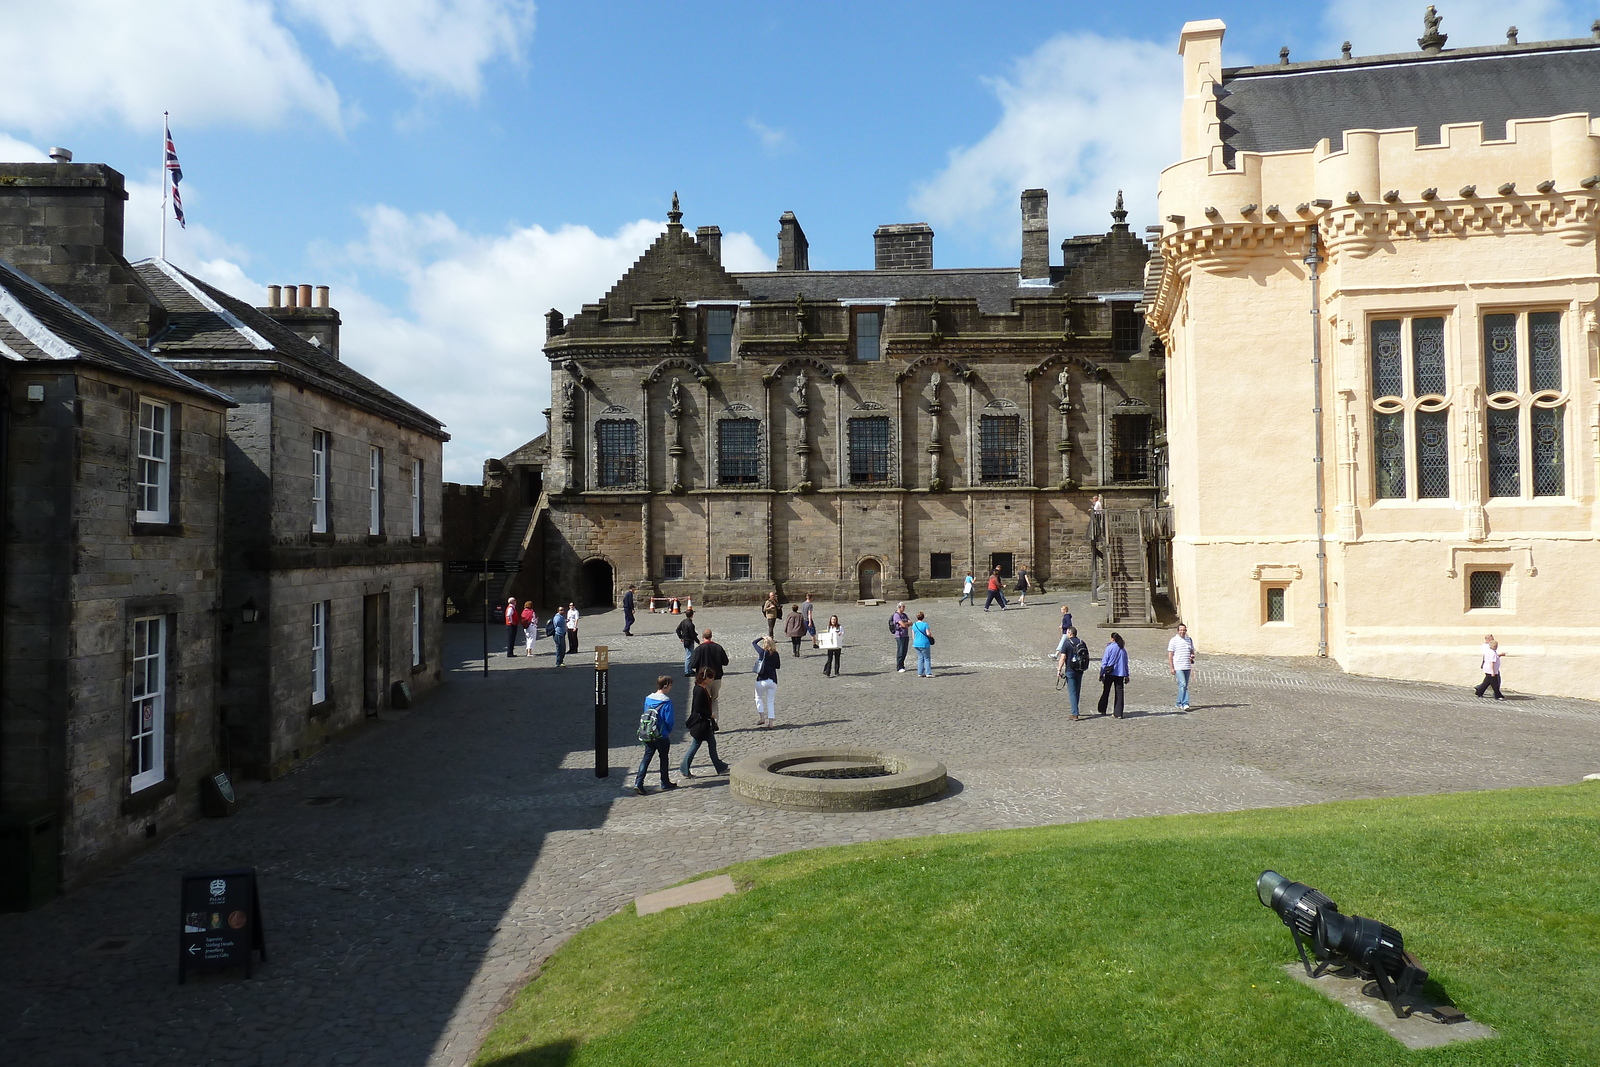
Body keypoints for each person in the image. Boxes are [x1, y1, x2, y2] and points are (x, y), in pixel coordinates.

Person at [632, 675, 678, 796]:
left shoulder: (648, 699)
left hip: (648, 733)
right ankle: (664, 782)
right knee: (663, 758)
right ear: (666, 685)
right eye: (670, 685)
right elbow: (669, 720)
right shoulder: (666, 701)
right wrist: (667, 731)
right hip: (661, 735)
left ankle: (638, 782)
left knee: (646, 757)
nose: (671, 688)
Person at [679, 667, 729, 778]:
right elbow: (698, 708)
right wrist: (709, 714)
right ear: (705, 678)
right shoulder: (700, 690)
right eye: (711, 678)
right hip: (701, 725)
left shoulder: (700, 688)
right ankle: (684, 767)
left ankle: (719, 766)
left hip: (704, 724)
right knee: (697, 745)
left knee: (710, 744)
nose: (712, 680)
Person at [1056, 625, 1091, 720]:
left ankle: (1074, 713)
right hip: (1080, 669)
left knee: (1072, 692)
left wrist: (1059, 669)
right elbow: (1087, 656)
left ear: (1070, 633)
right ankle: (1075, 708)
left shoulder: (1067, 643)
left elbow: (1063, 657)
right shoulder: (1081, 642)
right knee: (1077, 690)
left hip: (1070, 669)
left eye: (1067, 632)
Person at [688, 627, 729, 706]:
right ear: (711, 636)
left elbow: (693, 664)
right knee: (714, 700)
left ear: (703, 637)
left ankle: (707, 717)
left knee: (704, 700)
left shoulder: (699, 649)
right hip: (716, 678)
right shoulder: (718, 647)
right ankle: (715, 717)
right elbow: (725, 662)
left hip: (703, 678)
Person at [1097, 632, 1129, 718]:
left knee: (1106, 691)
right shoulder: (1123, 650)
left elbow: (1105, 661)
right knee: (1119, 693)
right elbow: (1126, 663)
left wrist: (1101, 673)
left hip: (1110, 672)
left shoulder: (1109, 648)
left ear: (1112, 639)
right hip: (1120, 673)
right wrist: (1127, 675)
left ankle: (1102, 709)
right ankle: (1118, 713)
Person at [752, 636, 780, 727]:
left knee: (758, 698)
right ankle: (771, 723)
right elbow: (778, 666)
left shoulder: (762, 652)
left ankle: (762, 718)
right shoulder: (775, 654)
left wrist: (761, 637)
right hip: (772, 680)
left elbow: (754, 643)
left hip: (761, 680)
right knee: (770, 701)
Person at [1167, 623, 1196, 711]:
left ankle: (1178, 702)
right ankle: (1185, 703)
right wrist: (1172, 667)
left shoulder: (1189, 640)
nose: (1182, 632)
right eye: (1181, 630)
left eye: (1184, 630)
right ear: (1178, 630)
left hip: (1187, 666)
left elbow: (1192, 651)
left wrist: (1192, 656)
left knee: (1183, 686)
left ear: (1186, 630)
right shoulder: (1173, 640)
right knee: (1183, 684)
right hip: (1178, 666)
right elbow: (1170, 655)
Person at [1474, 635, 1504, 699]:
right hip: (1491, 670)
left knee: (1487, 682)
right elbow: (1491, 662)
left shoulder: (1491, 651)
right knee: (1494, 683)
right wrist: (1492, 672)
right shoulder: (1491, 652)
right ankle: (1497, 695)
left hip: (1489, 669)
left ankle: (1479, 691)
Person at [675, 607, 699, 676]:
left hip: (685, 640)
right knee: (689, 656)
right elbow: (692, 634)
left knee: (689, 655)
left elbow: (677, 630)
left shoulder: (683, 621)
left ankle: (689, 669)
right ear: (692, 615)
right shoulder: (690, 624)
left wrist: (681, 637)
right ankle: (687, 671)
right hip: (689, 641)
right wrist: (698, 641)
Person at [911, 611, 934, 677]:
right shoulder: (925, 624)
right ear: (923, 617)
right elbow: (928, 634)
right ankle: (928, 673)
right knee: (927, 658)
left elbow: (913, 635)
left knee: (920, 658)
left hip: (916, 643)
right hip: (924, 643)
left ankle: (920, 672)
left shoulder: (914, 625)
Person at [890, 603, 911, 672]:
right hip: (899, 635)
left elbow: (910, 622)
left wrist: (905, 624)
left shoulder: (904, 615)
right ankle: (899, 666)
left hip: (905, 635)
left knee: (905, 651)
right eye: (903, 607)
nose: (904, 608)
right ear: (899, 607)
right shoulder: (896, 615)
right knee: (900, 651)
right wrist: (905, 624)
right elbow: (903, 625)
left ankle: (902, 665)